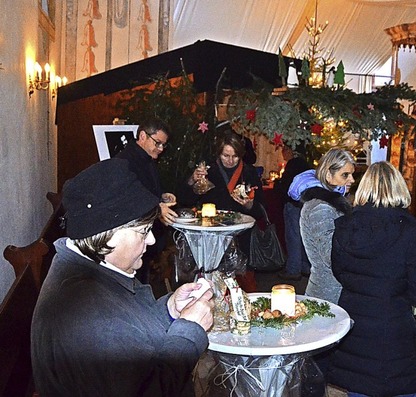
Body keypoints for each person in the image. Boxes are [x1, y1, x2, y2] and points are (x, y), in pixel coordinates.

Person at [31, 158, 215, 396]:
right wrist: (189, 332)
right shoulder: (95, 318)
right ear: (109, 237)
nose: (150, 240)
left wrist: (169, 310)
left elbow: (130, 326)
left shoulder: (88, 268)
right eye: (143, 231)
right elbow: (151, 390)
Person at [329, 161, 416, 397]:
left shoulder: (345, 227)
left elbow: (340, 272)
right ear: (399, 188)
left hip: (355, 325)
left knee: (359, 386)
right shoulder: (409, 231)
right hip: (393, 331)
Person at [177, 130, 264, 291]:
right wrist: (192, 180)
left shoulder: (249, 172)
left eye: (235, 156)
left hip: (240, 238)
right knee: (209, 284)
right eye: (226, 155)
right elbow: (184, 199)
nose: (230, 161)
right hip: (210, 236)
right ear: (219, 153)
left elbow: (261, 211)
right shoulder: (207, 170)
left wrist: (248, 205)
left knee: (241, 288)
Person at [288, 147, 355, 305]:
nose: (351, 179)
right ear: (328, 175)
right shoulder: (321, 207)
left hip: (332, 288)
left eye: (352, 174)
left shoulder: (329, 202)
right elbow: (330, 256)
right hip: (328, 293)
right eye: (345, 175)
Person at [116, 118, 178, 283]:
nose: (160, 149)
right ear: (142, 136)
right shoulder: (126, 160)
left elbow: (145, 189)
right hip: (132, 235)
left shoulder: (146, 158)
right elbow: (130, 195)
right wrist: (157, 206)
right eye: (157, 143)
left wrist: (161, 196)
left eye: (163, 145)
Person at [275, 143, 312, 281]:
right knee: (302, 237)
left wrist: (278, 185)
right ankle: (304, 266)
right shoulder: (305, 164)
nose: (283, 153)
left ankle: (293, 269)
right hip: (304, 204)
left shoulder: (292, 165)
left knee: (293, 237)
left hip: (293, 204)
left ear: (291, 150)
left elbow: (286, 187)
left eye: (285, 150)